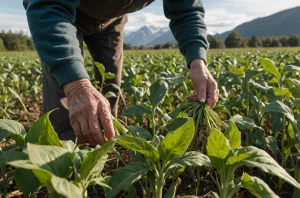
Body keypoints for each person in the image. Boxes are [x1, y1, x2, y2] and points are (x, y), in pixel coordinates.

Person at [24, 0, 219, 145]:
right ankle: (60, 169)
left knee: (110, 88)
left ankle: (103, 149)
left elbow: (186, 10)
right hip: (61, 14)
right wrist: (76, 85)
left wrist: (197, 62)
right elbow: (48, 6)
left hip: (112, 19)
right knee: (67, 99)